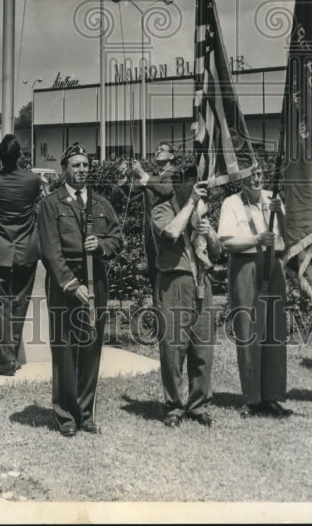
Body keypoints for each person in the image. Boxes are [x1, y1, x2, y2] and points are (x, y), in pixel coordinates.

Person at [37, 143, 124, 436]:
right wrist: (71, 285)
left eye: (85, 165)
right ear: (65, 170)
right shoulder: (51, 204)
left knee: (90, 348)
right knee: (63, 350)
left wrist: (101, 246)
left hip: (95, 280)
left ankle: (86, 414)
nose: (81, 170)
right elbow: (50, 250)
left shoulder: (101, 204)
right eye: (75, 165)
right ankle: (65, 417)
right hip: (65, 285)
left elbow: (117, 240)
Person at [218, 165, 291, 418]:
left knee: (274, 331)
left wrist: (279, 214)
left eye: (260, 174)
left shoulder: (274, 199)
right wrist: (257, 239)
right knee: (249, 331)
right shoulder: (231, 203)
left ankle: (272, 396)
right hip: (245, 266)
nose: (257, 179)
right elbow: (226, 243)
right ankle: (251, 397)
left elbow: (288, 237)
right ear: (241, 180)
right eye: (251, 176)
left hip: (273, 266)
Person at [150, 167, 221, 428]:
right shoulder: (162, 208)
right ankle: (174, 406)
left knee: (203, 350)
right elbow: (170, 232)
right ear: (178, 186)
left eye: (198, 185)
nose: (195, 189)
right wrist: (191, 203)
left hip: (202, 282)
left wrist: (209, 231)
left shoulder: (201, 210)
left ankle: (199, 405)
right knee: (172, 349)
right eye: (190, 185)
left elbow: (217, 250)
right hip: (174, 283)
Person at [0, 134, 43, 376]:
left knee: (1, 304)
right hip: (26, 248)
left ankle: (6, 359)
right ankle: (10, 357)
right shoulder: (33, 181)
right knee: (20, 302)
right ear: (20, 156)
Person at [131, 142, 178, 302]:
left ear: (171, 156)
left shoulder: (176, 174)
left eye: (162, 150)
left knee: (168, 276)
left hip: (168, 234)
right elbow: (131, 193)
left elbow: (166, 190)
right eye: (156, 149)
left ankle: (169, 312)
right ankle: (159, 315)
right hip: (151, 236)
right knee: (154, 276)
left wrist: (143, 173)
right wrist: (124, 177)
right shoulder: (152, 177)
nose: (157, 151)